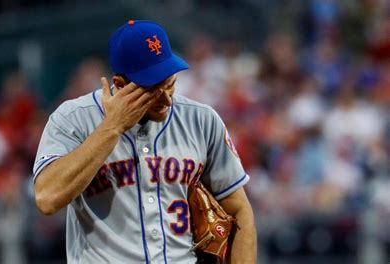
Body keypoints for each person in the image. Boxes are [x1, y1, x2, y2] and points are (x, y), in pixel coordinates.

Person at [33, 20, 257, 263]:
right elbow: (47, 198)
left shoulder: (201, 120)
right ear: (120, 84)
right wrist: (112, 127)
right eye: (153, 90)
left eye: (170, 84)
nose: (167, 99)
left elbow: (239, 211)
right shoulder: (74, 118)